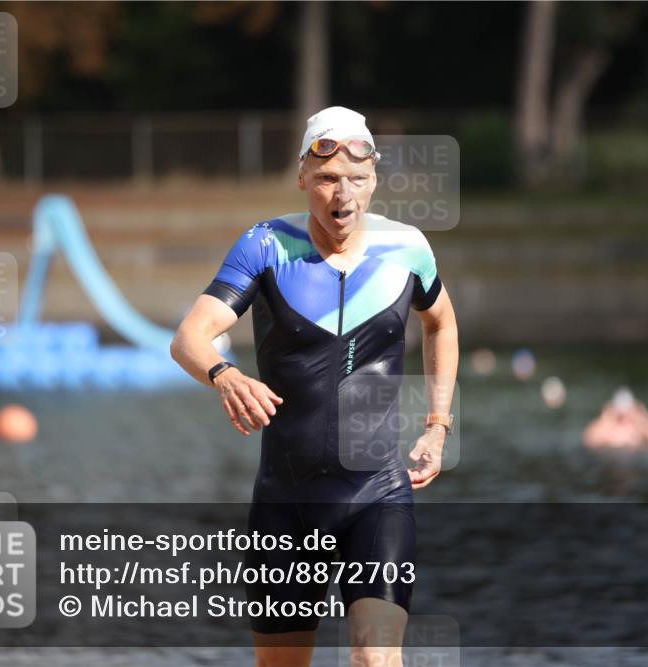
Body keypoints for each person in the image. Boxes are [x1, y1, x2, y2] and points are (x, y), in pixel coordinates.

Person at [171, 106, 459, 667]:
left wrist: (438, 424)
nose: (342, 195)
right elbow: (189, 338)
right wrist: (224, 374)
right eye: (327, 178)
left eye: (356, 179)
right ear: (304, 177)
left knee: (376, 655)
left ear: (374, 179)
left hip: (377, 494)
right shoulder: (265, 246)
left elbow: (441, 321)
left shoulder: (408, 249)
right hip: (286, 504)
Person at [582, 386, 648, 450]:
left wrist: (645, 418)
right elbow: (589, 441)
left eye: (628, 413)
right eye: (620, 415)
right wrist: (605, 419)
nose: (624, 418)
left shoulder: (640, 427)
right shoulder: (607, 428)